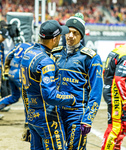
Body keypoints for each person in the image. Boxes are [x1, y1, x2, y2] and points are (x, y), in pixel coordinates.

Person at [21, 20, 76, 149]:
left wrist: (27, 119)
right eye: (60, 36)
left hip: (32, 115)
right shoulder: (47, 62)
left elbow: (24, 90)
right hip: (48, 118)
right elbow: (50, 96)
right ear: (55, 39)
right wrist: (71, 98)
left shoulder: (27, 54)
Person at [52, 13, 103, 149]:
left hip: (76, 114)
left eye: (75, 33)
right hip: (55, 112)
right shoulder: (55, 54)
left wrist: (88, 118)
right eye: (68, 31)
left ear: (81, 36)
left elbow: (96, 91)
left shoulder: (90, 58)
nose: (70, 36)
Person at [0, 42, 34, 123]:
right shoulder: (34, 48)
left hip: (12, 72)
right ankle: (28, 121)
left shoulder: (20, 45)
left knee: (15, 96)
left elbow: (9, 55)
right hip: (21, 74)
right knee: (29, 97)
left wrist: (6, 69)